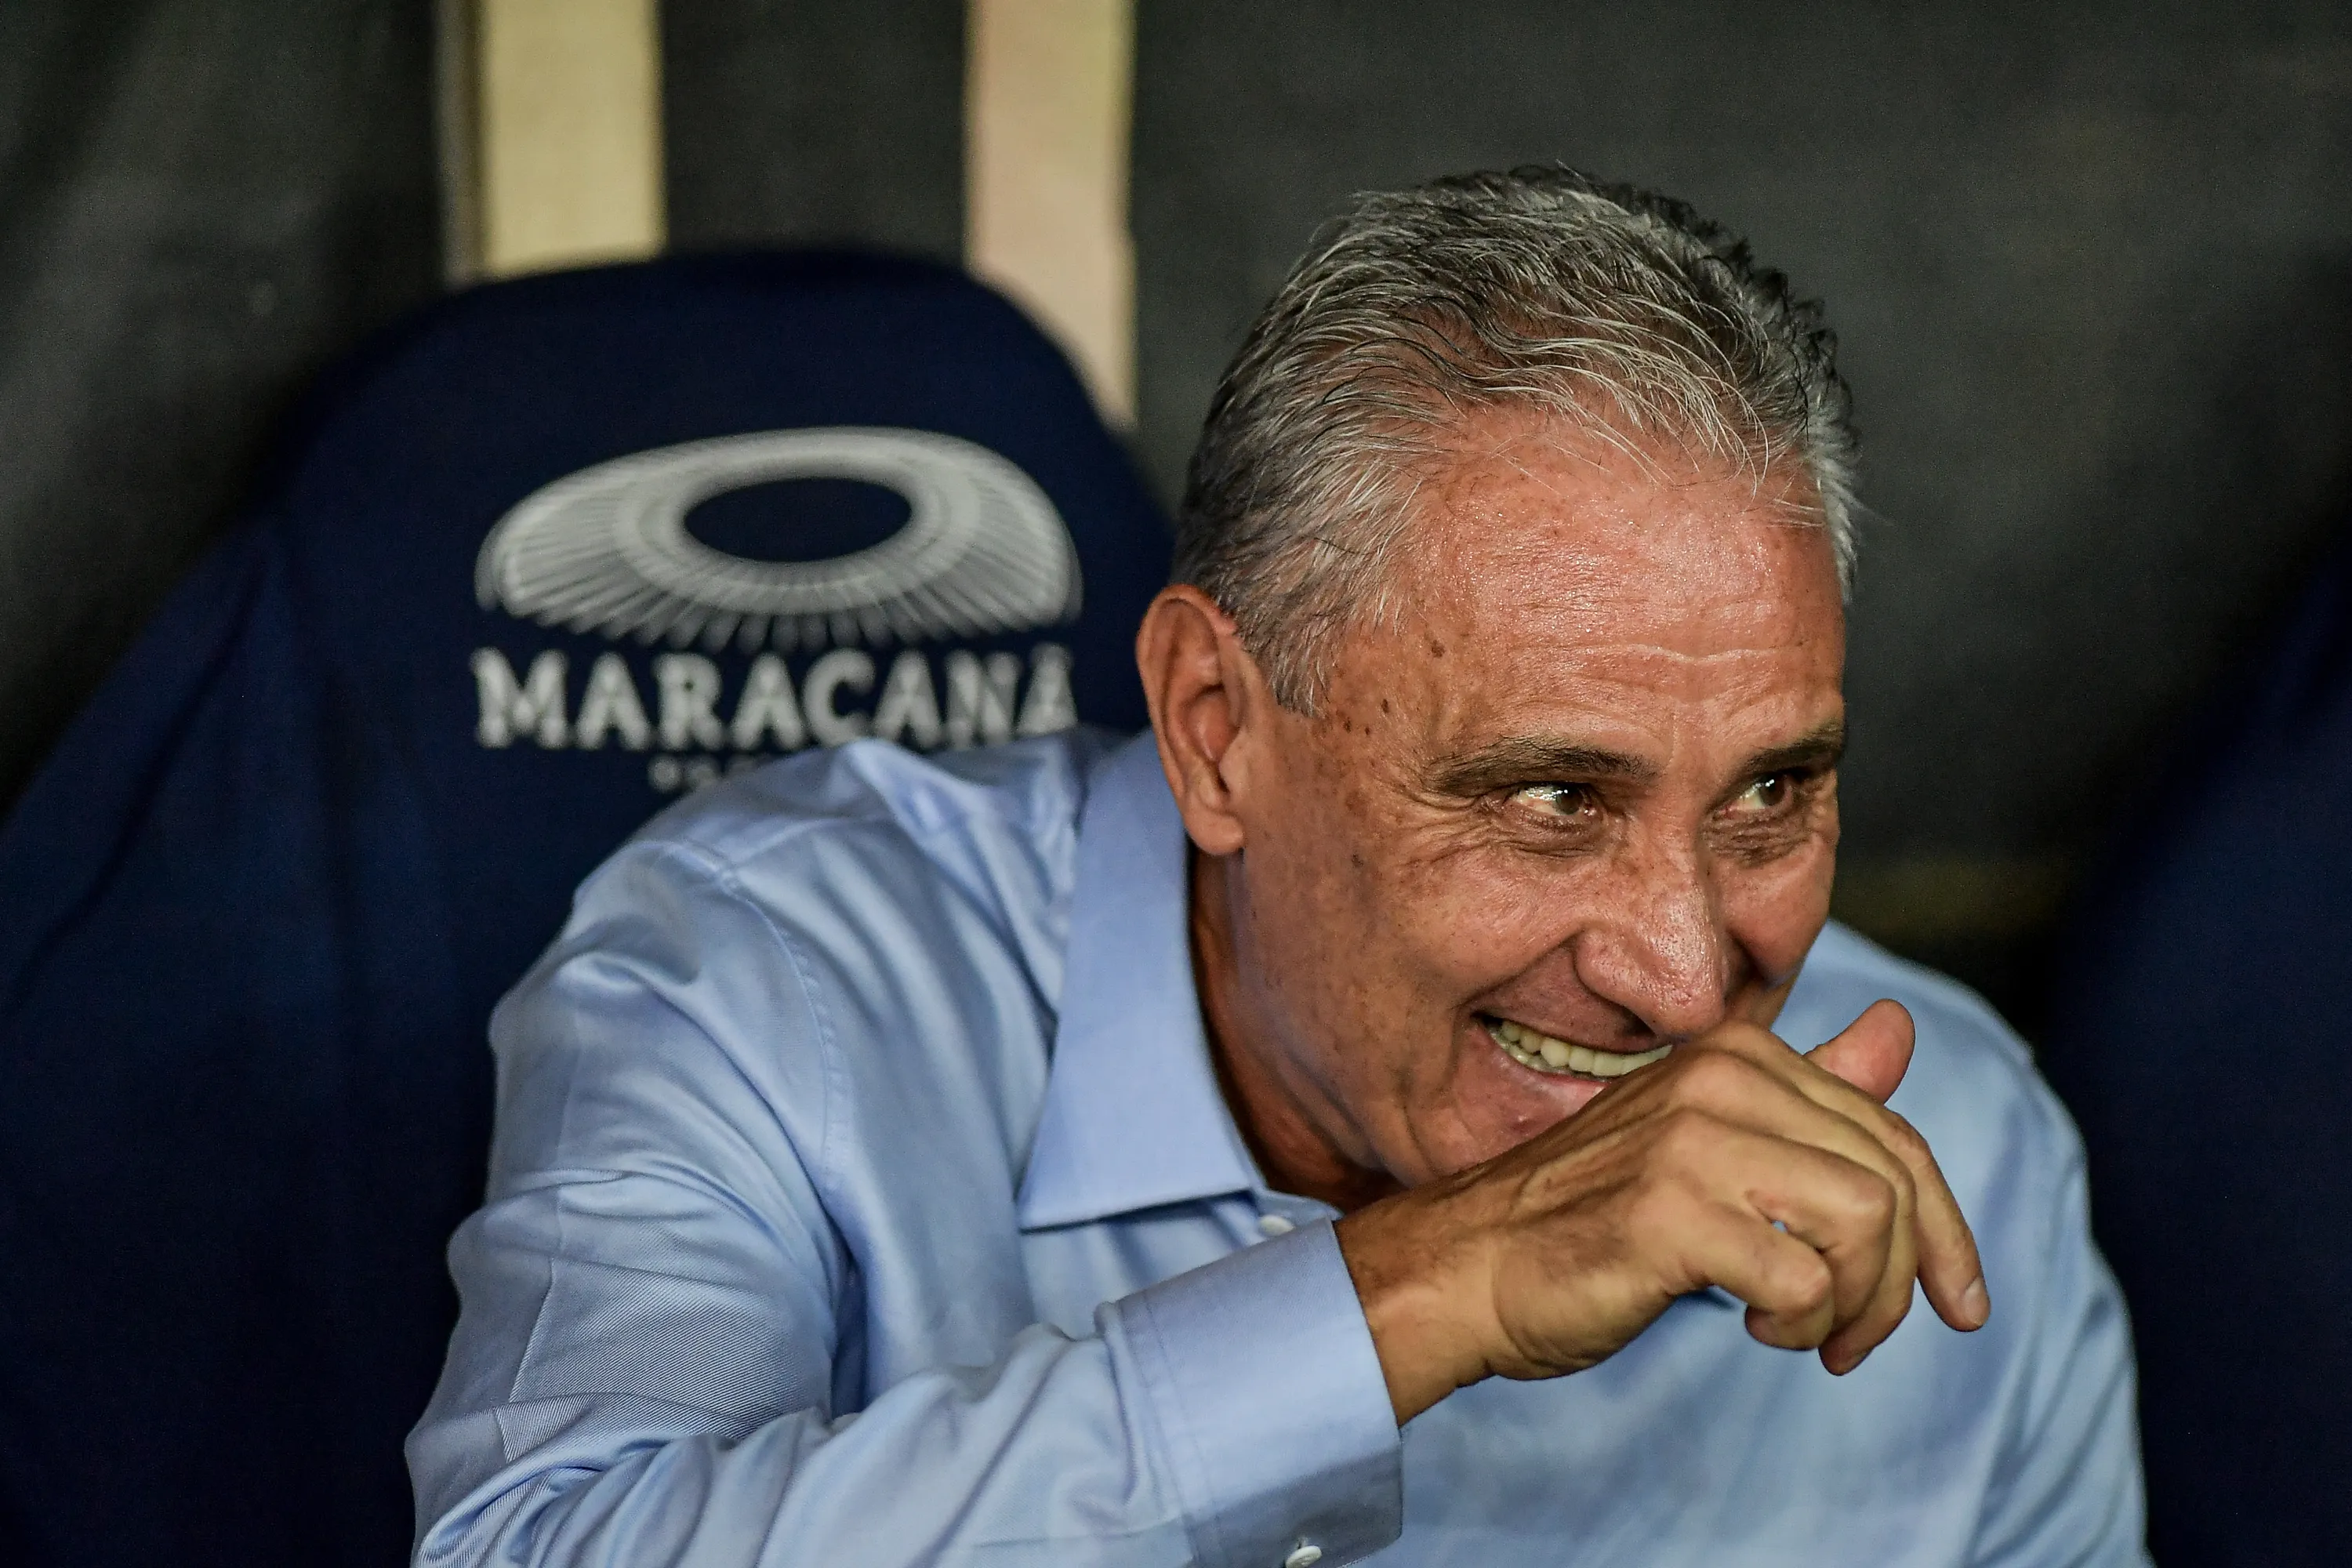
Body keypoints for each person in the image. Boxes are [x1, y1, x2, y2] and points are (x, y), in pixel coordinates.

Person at [408, 169, 2145, 1566]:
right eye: (1551, 798)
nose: (1687, 977)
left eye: (1772, 792)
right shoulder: (766, 976)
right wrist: (1420, 1292)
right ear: (1215, 726)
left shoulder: (1956, 1153)